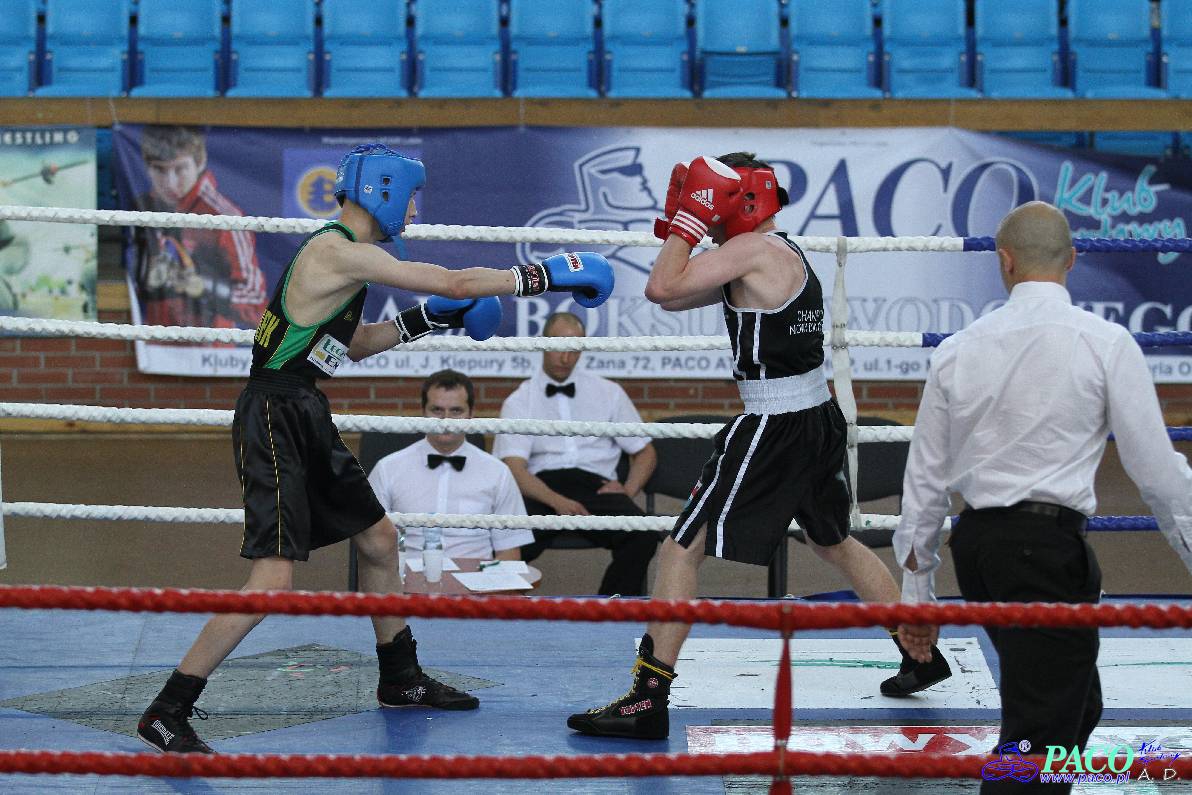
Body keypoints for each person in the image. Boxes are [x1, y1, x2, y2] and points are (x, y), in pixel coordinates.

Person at [137, 143, 615, 754]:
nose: (413, 210)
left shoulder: (345, 260)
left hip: (303, 408)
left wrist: (428, 319)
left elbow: (355, 344)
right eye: (410, 196)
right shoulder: (338, 250)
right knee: (273, 578)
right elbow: (457, 281)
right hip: (275, 414)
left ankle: (401, 677)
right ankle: (169, 708)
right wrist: (546, 275)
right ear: (382, 190)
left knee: (380, 540)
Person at [567, 153, 951, 741]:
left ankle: (647, 699)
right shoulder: (779, 251)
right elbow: (674, 297)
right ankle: (919, 653)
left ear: (736, 199)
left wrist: (688, 223)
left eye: (712, 201)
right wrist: (684, 228)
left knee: (680, 548)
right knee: (834, 541)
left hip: (776, 422)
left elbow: (659, 285)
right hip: (814, 416)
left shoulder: (750, 251)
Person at [893, 201, 1192, 794]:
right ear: (1072, 259)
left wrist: (916, 595)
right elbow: (1157, 471)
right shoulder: (1104, 343)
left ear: (1004, 262)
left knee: (1073, 709)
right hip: (1047, 554)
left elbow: (924, 480)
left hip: (980, 552)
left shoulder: (959, 349)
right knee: (1039, 735)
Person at [493, 312, 660, 596]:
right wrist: (558, 502)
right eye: (559, 346)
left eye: (574, 348)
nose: (566, 357)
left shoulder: (609, 392)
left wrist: (627, 491)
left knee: (642, 535)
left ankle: (607, 610)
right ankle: (505, 613)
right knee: (504, 542)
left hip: (596, 487)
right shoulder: (519, 400)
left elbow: (646, 453)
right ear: (542, 342)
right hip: (543, 490)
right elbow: (514, 468)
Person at [368, 369, 534, 561]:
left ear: (471, 414)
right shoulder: (387, 469)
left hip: (478, 578)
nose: (446, 420)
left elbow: (509, 551)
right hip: (405, 577)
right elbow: (371, 543)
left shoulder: (498, 473)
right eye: (437, 410)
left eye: (456, 411)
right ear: (423, 412)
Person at [132, 126, 268, 329]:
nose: (170, 183)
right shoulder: (141, 207)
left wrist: (203, 286)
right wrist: (147, 275)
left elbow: (255, 299)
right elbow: (132, 279)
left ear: (200, 162)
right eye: (160, 170)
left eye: (180, 169)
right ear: (147, 168)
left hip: (209, 344)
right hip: (155, 340)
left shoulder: (223, 217)